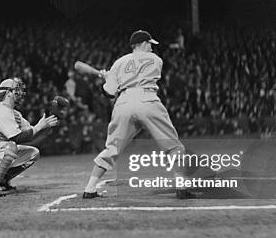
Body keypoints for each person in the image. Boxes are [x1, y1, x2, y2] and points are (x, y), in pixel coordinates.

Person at [82, 30, 194, 199]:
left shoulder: (119, 63)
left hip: (124, 103)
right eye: (149, 44)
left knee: (111, 148)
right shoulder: (157, 59)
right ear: (142, 43)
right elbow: (141, 74)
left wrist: (108, 78)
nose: (151, 47)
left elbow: (109, 93)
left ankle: (89, 189)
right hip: (147, 100)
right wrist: (114, 78)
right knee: (174, 147)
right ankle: (182, 188)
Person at [0, 77, 58, 197]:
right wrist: (39, 126)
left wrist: (47, 123)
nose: (20, 93)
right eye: (16, 90)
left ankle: (3, 180)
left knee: (33, 153)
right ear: (8, 93)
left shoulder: (14, 113)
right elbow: (17, 138)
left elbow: (30, 134)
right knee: (11, 145)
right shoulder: (1, 111)